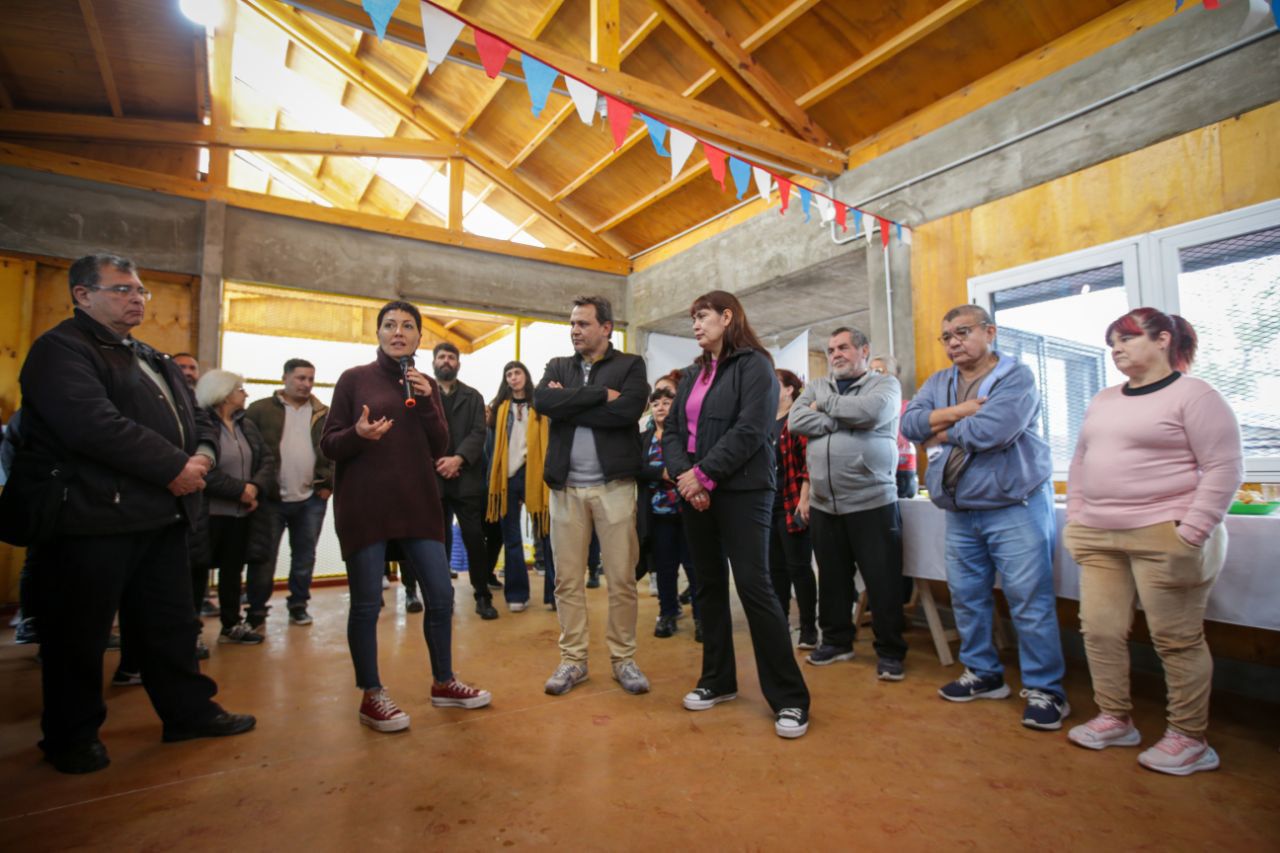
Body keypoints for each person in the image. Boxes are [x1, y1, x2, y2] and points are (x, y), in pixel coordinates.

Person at [7, 253, 253, 773]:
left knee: (170, 626)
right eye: (122, 289)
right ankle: (71, 737)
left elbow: (199, 419)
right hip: (91, 520)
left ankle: (188, 712)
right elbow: (93, 426)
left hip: (157, 517)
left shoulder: (149, 356)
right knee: (79, 636)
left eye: (140, 290)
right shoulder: (61, 351)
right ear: (83, 295)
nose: (137, 298)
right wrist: (174, 468)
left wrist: (202, 458)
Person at [1063, 308, 1242, 775]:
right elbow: (1081, 460)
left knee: (1176, 640)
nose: (1116, 350)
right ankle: (1114, 718)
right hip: (1100, 535)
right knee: (1099, 629)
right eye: (1111, 344)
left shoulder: (1195, 395)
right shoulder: (1104, 398)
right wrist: (1077, 518)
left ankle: (1188, 737)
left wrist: (1193, 530)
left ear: (1163, 339)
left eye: (1125, 339)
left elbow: (1224, 467)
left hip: (1165, 532)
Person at [320, 300, 490, 732]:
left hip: (418, 504)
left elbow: (439, 444)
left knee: (442, 594)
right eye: (390, 325)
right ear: (378, 333)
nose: (399, 332)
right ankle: (371, 693)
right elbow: (330, 444)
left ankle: (444, 682)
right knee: (365, 604)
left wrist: (431, 400)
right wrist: (357, 435)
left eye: (408, 326)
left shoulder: (425, 383)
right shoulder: (353, 380)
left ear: (418, 338)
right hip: (366, 506)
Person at [902, 304, 1068, 730]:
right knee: (967, 597)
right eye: (947, 337)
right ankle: (983, 673)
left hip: (1015, 506)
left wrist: (938, 429)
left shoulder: (1016, 377)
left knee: (1029, 600)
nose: (954, 342)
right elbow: (910, 423)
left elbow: (991, 432)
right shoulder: (940, 381)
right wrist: (961, 412)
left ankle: (1046, 690)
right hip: (961, 511)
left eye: (962, 332)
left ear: (989, 331)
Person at [663, 290, 811, 739]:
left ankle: (790, 698)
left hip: (744, 488)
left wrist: (704, 475)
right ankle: (718, 680)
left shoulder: (755, 367)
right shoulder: (692, 374)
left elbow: (751, 429)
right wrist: (686, 476)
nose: (695, 325)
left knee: (754, 586)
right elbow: (671, 429)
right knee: (707, 586)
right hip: (696, 490)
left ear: (728, 317)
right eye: (693, 318)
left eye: (703, 316)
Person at [534, 295, 651, 696]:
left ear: (605, 327)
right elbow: (543, 401)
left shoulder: (630, 365)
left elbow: (630, 411)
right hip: (566, 488)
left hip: (615, 487)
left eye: (583, 324)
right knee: (567, 580)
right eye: (571, 324)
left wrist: (568, 402)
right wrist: (602, 395)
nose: (574, 331)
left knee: (621, 579)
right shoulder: (558, 366)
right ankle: (573, 661)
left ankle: (623, 659)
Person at [791, 329, 908, 680]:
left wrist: (824, 408)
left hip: (871, 500)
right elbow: (797, 420)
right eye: (830, 349)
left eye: (843, 347)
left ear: (863, 350)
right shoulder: (815, 386)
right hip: (826, 503)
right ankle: (837, 641)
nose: (835, 354)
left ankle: (890, 651)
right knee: (832, 578)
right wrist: (841, 417)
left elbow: (871, 414)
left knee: (881, 580)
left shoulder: (884, 385)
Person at [243, 359, 332, 629]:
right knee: (264, 557)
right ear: (285, 378)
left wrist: (329, 483)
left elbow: (333, 451)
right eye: (300, 378)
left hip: (311, 499)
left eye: (310, 379)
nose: (306, 384)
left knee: (305, 556)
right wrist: (253, 488)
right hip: (270, 499)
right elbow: (248, 451)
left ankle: (298, 605)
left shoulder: (323, 413)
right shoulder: (259, 411)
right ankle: (256, 611)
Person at [195, 370, 277, 645]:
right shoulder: (201, 424)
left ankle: (231, 625)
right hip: (207, 514)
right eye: (240, 389)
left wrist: (254, 487)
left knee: (232, 571)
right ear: (223, 393)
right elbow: (201, 468)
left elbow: (266, 459)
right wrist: (240, 490)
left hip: (242, 513)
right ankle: (190, 632)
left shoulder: (245, 424)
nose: (245, 393)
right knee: (196, 573)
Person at [431, 342, 499, 620]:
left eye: (451, 357)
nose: (447, 361)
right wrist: (438, 462)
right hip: (433, 478)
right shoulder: (423, 394)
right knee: (437, 540)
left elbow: (477, 432)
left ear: (458, 363)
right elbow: (417, 433)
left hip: (466, 479)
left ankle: (482, 594)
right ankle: (439, 596)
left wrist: (457, 459)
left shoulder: (473, 396)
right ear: (434, 362)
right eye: (442, 357)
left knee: (474, 539)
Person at [486, 361, 555, 613]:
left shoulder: (541, 406)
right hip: (508, 477)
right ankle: (516, 593)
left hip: (536, 474)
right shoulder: (499, 409)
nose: (513, 377)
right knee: (511, 538)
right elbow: (492, 447)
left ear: (526, 375)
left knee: (547, 535)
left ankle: (554, 595)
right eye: (509, 374)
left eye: (517, 372)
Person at [636, 385, 698, 639]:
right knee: (664, 568)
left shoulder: (686, 435)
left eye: (666, 403)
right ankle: (668, 614)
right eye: (656, 403)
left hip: (689, 513)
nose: (661, 407)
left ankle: (702, 617)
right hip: (658, 515)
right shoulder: (644, 438)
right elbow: (635, 468)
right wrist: (660, 473)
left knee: (694, 568)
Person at [770, 369, 817, 651]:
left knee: (799, 568)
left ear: (789, 389)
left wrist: (805, 498)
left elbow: (808, 462)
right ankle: (780, 623)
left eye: (774, 384)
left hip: (792, 503)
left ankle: (809, 628)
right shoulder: (764, 421)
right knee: (774, 570)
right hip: (768, 506)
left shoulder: (796, 420)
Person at [870, 355, 919, 499]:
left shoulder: (907, 407)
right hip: (874, 474)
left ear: (893, 376)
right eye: (870, 371)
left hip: (901, 471)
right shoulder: (864, 408)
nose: (873, 376)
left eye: (878, 371)